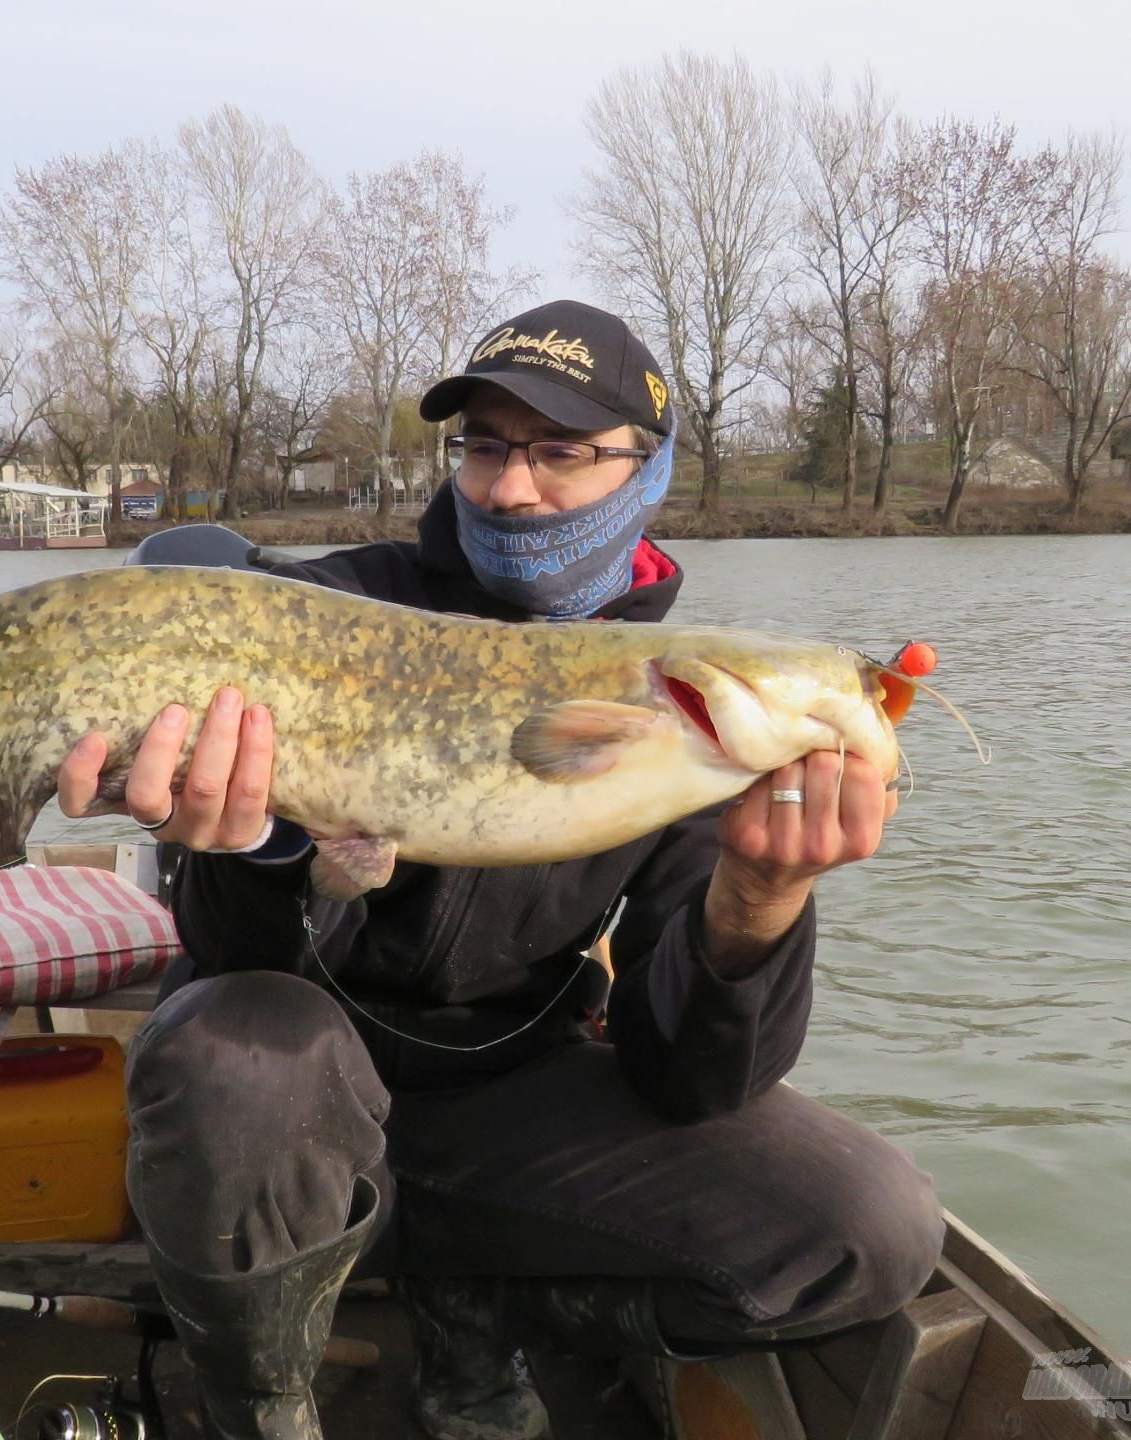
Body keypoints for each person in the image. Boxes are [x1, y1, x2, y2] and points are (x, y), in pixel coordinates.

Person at [57, 300, 943, 1440]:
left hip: (513, 1100)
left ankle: (494, 1303)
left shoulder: (692, 709)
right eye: (484, 444)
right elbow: (230, 961)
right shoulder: (323, 607)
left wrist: (759, 906)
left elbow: (689, 1083)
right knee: (231, 1058)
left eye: (561, 452)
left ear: (647, 471)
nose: (510, 488)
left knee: (875, 1225)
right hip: (295, 1097)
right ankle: (259, 1400)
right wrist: (262, 847)